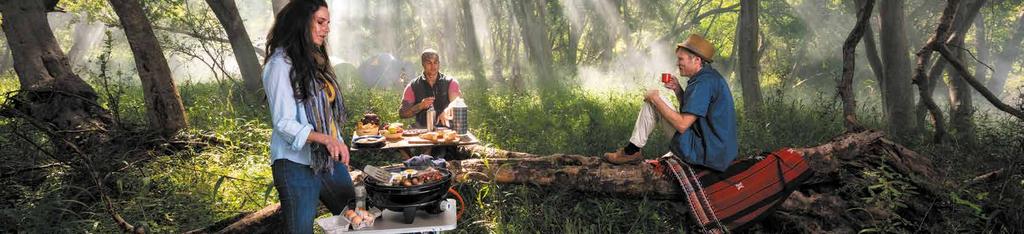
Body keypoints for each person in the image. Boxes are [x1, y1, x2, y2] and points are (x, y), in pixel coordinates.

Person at [262, 0, 354, 232]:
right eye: (320, 22)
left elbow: (327, 115)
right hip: (295, 164)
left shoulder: (315, 62)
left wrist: (338, 143)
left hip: (327, 160)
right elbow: (283, 123)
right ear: (301, 23)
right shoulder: (279, 64)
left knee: (357, 218)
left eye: (328, 23)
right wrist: (326, 139)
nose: (327, 29)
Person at [604, 34, 739, 172]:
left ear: (697, 60)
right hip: (718, 150)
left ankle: (631, 152)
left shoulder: (703, 83)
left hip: (707, 153)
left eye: (681, 59)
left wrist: (655, 99)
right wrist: (678, 90)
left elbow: (682, 124)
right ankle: (632, 150)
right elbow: (696, 113)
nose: (677, 63)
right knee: (657, 100)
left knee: (654, 102)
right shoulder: (708, 77)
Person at [398, 49, 464, 129]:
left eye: (435, 62)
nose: (433, 66)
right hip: (422, 132)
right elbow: (402, 114)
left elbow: (457, 102)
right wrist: (420, 106)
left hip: (447, 132)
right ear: (423, 64)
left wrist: (448, 110)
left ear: (439, 64)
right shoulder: (412, 86)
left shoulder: (450, 82)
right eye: (429, 63)